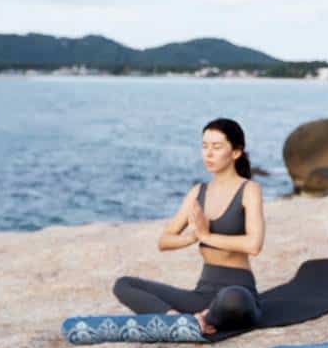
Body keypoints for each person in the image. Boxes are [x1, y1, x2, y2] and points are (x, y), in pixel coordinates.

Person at [113, 118, 265, 335]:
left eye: (217, 147)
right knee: (124, 284)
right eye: (204, 146)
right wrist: (193, 237)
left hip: (238, 290)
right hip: (202, 293)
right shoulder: (198, 192)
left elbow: (254, 245)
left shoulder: (249, 189)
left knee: (233, 299)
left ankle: (203, 319)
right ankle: (177, 320)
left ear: (236, 152)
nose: (208, 154)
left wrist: (206, 235)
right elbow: (164, 241)